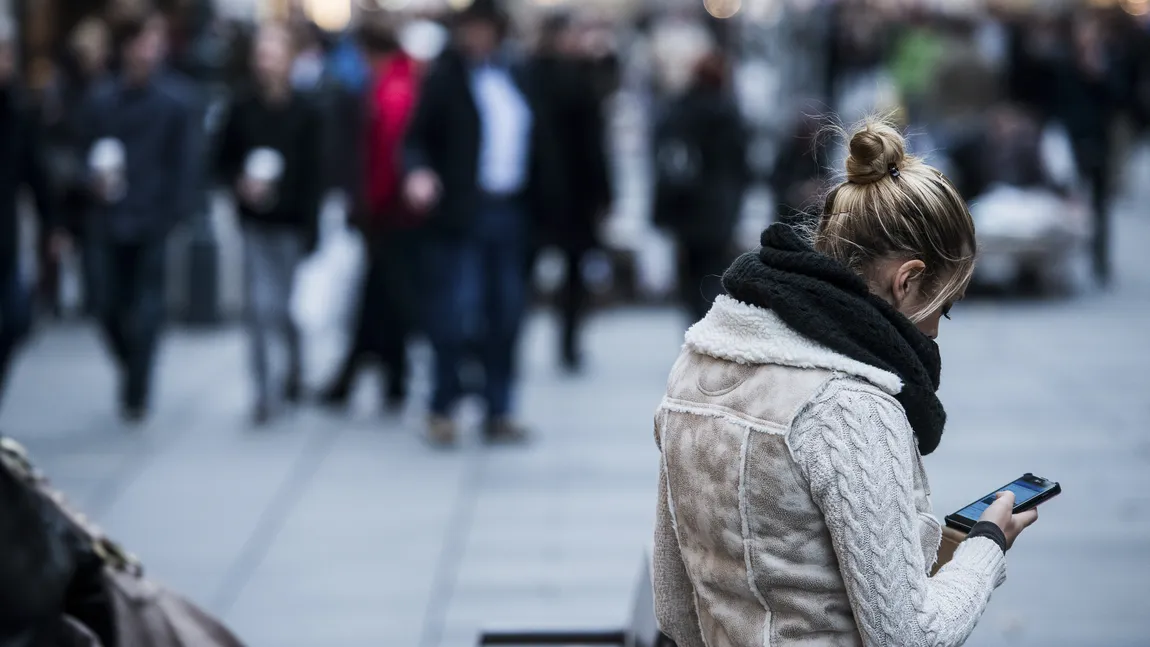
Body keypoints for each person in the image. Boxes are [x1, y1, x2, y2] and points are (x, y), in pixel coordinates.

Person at [653, 121, 1039, 646]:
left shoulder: (696, 366)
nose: (933, 334)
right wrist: (987, 544)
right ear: (907, 281)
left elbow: (674, 608)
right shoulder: (848, 407)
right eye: (941, 310)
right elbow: (909, 637)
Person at [403, 0, 561, 446]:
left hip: (510, 212)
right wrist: (419, 174)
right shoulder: (445, 78)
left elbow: (542, 143)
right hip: (460, 214)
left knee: (506, 314)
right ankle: (443, 405)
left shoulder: (516, 75)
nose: (478, 38)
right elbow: (415, 140)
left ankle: (499, 407)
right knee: (454, 313)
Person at [79, 13, 199, 423]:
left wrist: (178, 212)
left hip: (153, 215)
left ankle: (137, 386)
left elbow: (186, 163)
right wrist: (89, 180)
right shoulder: (102, 99)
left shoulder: (176, 101)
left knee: (147, 306)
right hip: (110, 215)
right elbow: (79, 151)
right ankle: (131, 364)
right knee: (106, 303)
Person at [217, 24, 322, 425]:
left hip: (293, 222)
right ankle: (264, 391)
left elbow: (316, 173)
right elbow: (221, 160)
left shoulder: (308, 110)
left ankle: (294, 368)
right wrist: (240, 185)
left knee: (288, 309)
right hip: (256, 223)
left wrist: (313, 227)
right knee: (261, 307)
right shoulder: (241, 106)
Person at [321, 17, 424, 413]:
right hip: (388, 212)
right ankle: (388, 377)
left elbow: (386, 157)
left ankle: (361, 376)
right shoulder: (396, 82)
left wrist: (369, 204)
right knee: (380, 296)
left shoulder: (393, 88)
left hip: (391, 214)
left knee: (385, 296)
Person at [528, 11, 613, 372]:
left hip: (566, 192)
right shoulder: (564, 78)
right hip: (557, 190)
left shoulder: (537, 75)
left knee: (569, 271)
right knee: (557, 270)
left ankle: (566, 343)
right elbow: (593, 143)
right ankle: (563, 345)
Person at [652, 52, 749, 325]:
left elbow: (665, 159)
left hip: (686, 207)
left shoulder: (679, 110)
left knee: (690, 276)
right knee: (713, 274)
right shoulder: (729, 113)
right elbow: (741, 166)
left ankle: (694, 324)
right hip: (719, 209)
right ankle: (708, 326)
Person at [0, 22, 60, 408]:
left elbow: (37, 173)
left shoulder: (18, 111)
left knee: (18, 321)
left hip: (4, 245)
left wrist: (52, 226)